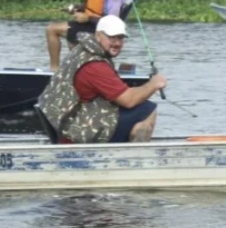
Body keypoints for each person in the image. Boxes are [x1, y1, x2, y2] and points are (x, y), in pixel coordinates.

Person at [37, 15, 167, 143]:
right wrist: (154, 84)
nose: (117, 43)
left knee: (136, 108)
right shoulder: (95, 66)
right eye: (111, 37)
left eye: (121, 38)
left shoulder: (83, 49)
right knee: (147, 109)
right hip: (78, 133)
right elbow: (129, 100)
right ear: (98, 35)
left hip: (70, 124)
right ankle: (136, 157)